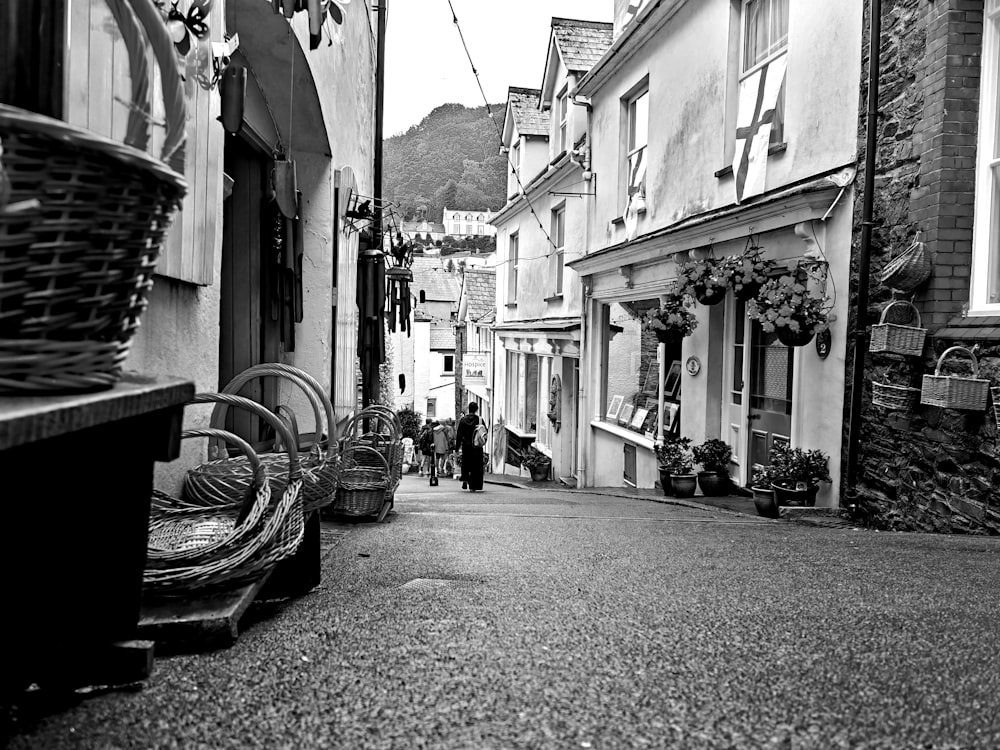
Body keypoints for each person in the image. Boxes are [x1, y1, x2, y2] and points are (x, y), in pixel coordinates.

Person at [455, 403, 484, 491]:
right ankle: (473, 485)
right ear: (476, 409)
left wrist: (457, 447)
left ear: (468, 409)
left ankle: (465, 479)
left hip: (466, 446)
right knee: (476, 465)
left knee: (466, 463)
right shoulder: (479, 420)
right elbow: (484, 432)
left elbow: (459, 434)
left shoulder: (463, 420)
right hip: (476, 446)